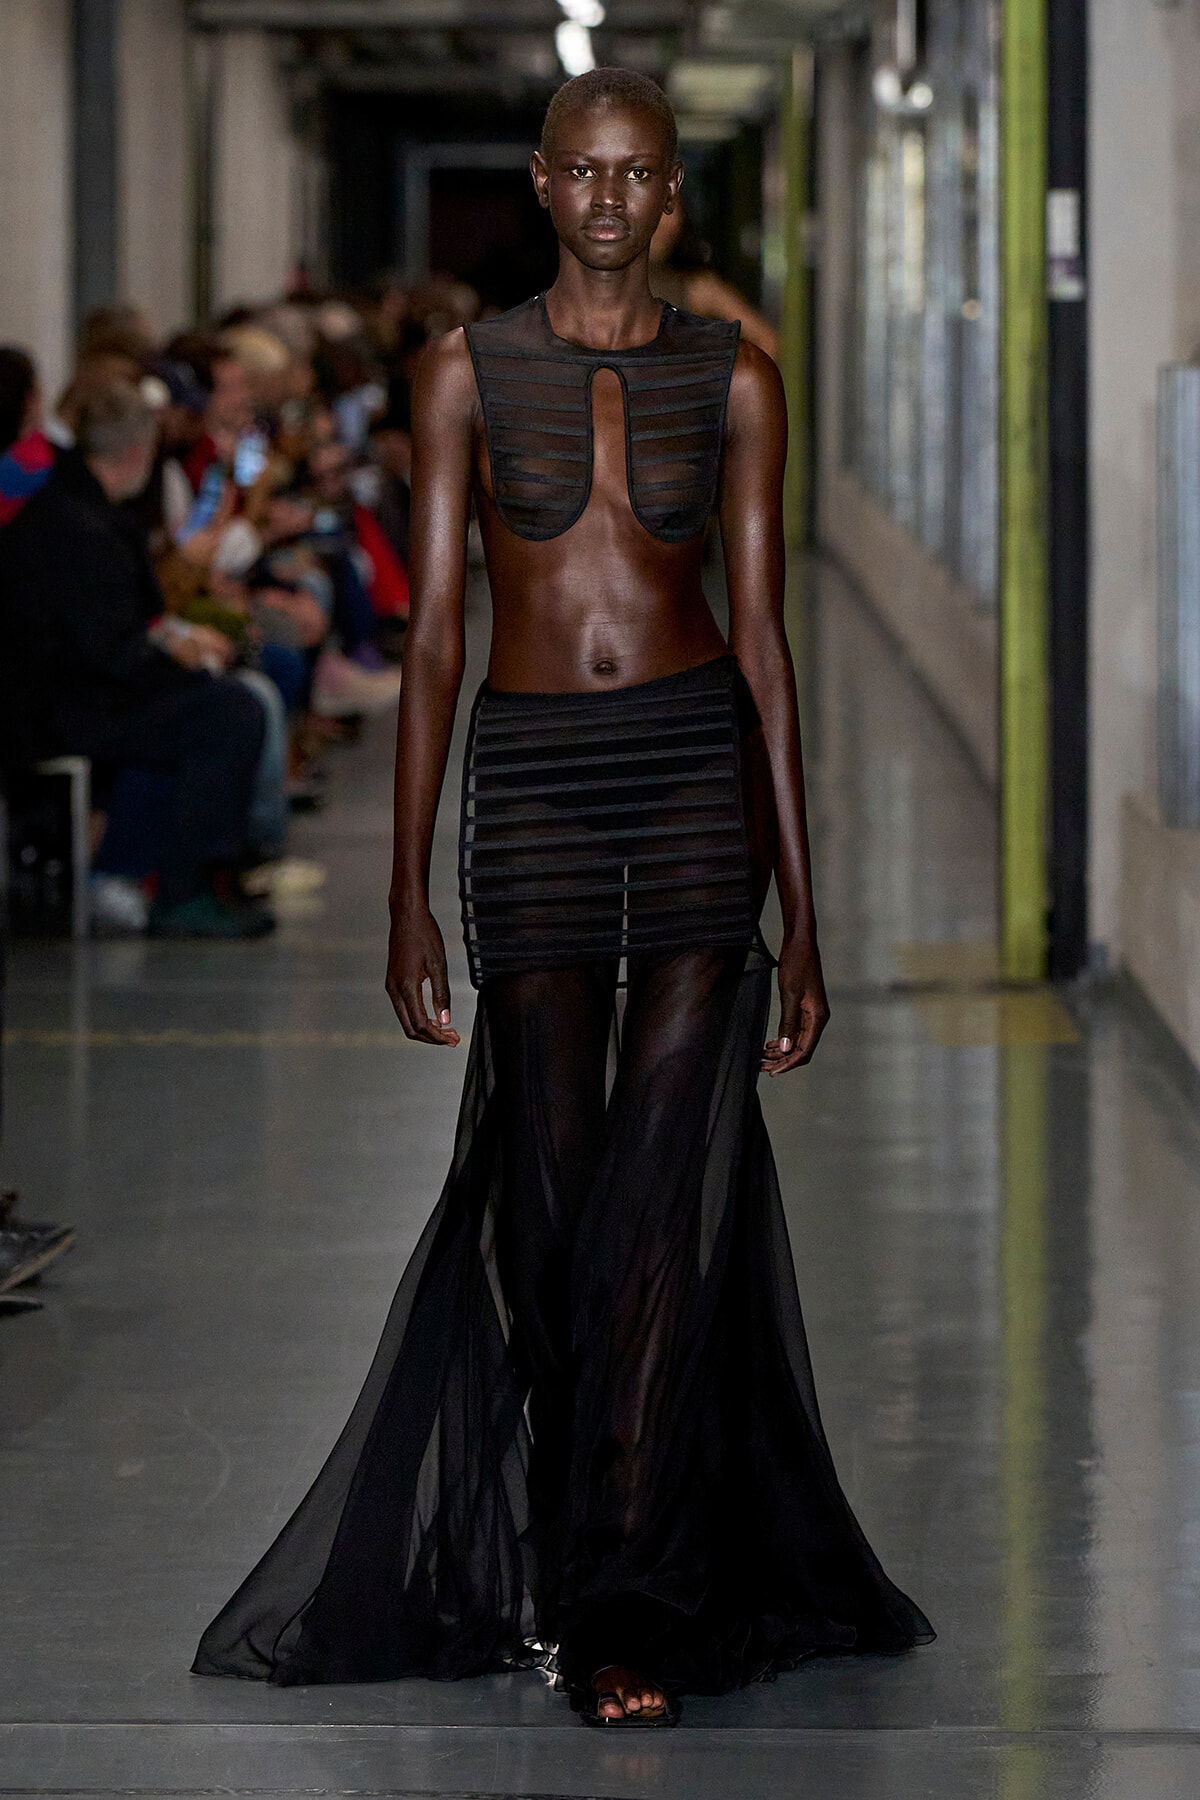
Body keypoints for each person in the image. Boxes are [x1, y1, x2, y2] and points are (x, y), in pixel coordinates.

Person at [193, 68, 932, 1722]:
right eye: (584, 173)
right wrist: (403, 893)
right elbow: (438, 632)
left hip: (687, 780)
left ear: (670, 195)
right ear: (542, 182)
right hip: (530, 781)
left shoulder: (736, 380)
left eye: (639, 176)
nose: (610, 201)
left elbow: (762, 641)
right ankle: (563, 1528)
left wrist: (802, 909)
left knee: (661, 1202)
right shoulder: (460, 374)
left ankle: (626, 1600)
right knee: (549, 1195)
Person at [0, 382, 272, 939]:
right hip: (56, 709)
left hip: (61, 692)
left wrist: (177, 653)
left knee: (215, 700)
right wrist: (183, 661)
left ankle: (185, 872)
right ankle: (186, 889)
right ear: (136, 452)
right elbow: (110, 654)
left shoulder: (68, 508)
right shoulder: (85, 530)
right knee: (229, 712)